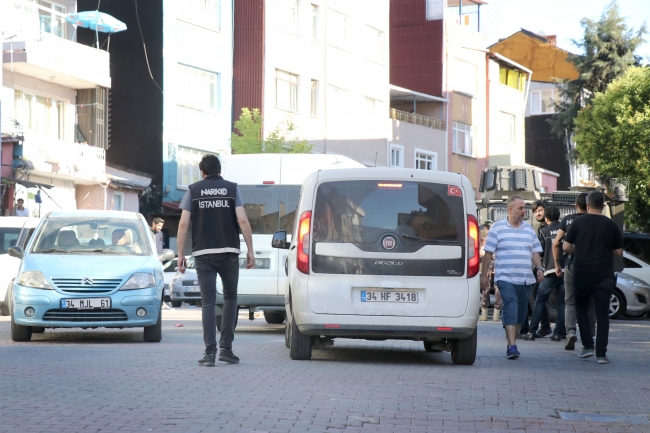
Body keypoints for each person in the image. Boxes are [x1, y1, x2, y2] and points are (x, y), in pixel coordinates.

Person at [176, 154, 254, 367]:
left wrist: (181, 254)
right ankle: (226, 350)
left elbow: (183, 225)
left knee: (208, 302)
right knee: (230, 298)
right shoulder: (231, 188)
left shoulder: (193, 190)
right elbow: (243, 220)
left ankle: (210, 353)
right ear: (220, 171)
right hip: (229, 251)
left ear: (202, 172)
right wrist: (250, 250)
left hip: (203, 253)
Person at [563, 191, 623, 364]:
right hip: (604, 273)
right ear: (603, 206)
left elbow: (566, 246)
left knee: (581, 308)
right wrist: (604, 251)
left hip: (582, 272)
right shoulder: (611, 224)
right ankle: (601, 354)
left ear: (587, 205)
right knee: (602, 313)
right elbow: (619, 251)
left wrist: (580, 250)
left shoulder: (577, 222)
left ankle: (587, 346)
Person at [482, 195, 544, 359]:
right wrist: (484, 276)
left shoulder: (529, 230)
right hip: (505, 277)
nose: (524, 211)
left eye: (524, 208)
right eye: (521, 208)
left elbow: (535, 252)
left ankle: (512, 340)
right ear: (510, 210)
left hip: (525, 279)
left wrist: (539, 268)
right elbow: (488, 253)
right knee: (511, 306)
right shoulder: (497, 228)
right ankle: (511, 346)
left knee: (521, 314)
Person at [552, 192, 595, 350]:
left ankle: (570, 332)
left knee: (570, 301)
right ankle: (589, 336)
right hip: (591, 266)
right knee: (590, 302)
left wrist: (557, 264)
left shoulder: (568, 220)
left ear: (576, 205)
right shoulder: (595, 220)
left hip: (571, 264)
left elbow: (556, 243)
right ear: (589, 205)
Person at [524, 206, 566, 341]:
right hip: (565, 271)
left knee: (539, 301)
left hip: (549, 270)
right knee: (562, 303)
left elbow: (539, 251)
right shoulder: (565, 229)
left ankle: (531, 331)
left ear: (546, 218)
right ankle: (558, 333)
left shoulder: (543, 231)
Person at [521, 199, 552, 338]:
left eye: (540, 210)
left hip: (548, 267)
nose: (538, 214)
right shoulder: (540, 228)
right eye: (535, 211)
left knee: (535, 297)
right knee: (537, 297)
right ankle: (545, 327)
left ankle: (536, 329)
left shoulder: (549, 227)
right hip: (542, 267)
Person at [479, 227, 502, 322]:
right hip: (493, 265)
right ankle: (490, 314)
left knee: (495, 290)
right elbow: (481, 253)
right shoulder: (486, 239)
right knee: (487, 289)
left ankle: (493, 315)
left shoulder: (489, 239)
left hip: (495, 265)